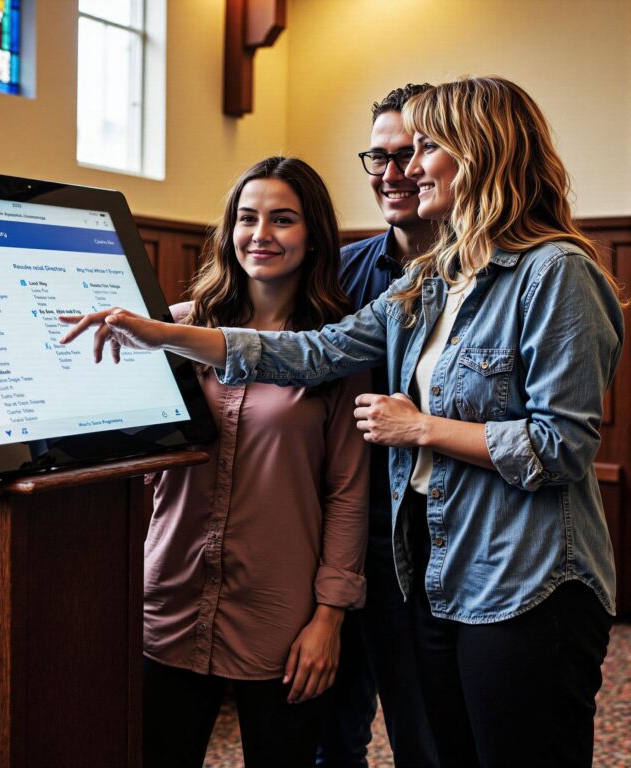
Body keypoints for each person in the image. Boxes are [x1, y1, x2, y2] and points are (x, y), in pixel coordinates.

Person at [61, 77, 626, 768]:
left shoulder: (557, 272)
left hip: (529, 578)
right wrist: (164, 332)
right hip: (439, 572)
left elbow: (562, 446)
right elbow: (313, 351)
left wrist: (421, 428)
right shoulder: (431, 277)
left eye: (427, 148)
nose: (409, 169)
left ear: (481, 152)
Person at [65, 156, 370, 768]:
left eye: (282, 219)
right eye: (247, 218)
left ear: (313, 236)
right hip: (170, 595)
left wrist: (328, 618)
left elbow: (348, 490)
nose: (261, 234)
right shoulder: (172, 329)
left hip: (282, 612)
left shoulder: (339, 349)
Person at [317, 83, 439, 768]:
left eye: (409, 154)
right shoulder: (338, 272)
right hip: (336, 528)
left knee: (426, 736)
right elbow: (286, 346)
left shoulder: (486, 274)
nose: (393, 173)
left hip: (428, 542)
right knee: (330, 735)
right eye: (379, 157)